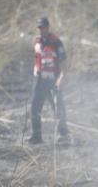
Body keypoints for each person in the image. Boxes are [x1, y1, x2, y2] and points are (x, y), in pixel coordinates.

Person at [27, 16, 69, 144]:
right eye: (39, 27)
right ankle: (36, 136)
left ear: (48, 27)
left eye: (43, 27)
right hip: (39, 80)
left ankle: (63, 135)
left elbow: (64, 63)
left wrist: (62, 78)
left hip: (53, 79)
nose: (41, 29)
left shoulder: (56, 42)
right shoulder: (37, 41)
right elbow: (37, 60)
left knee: (58, 106)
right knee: (34, 107)